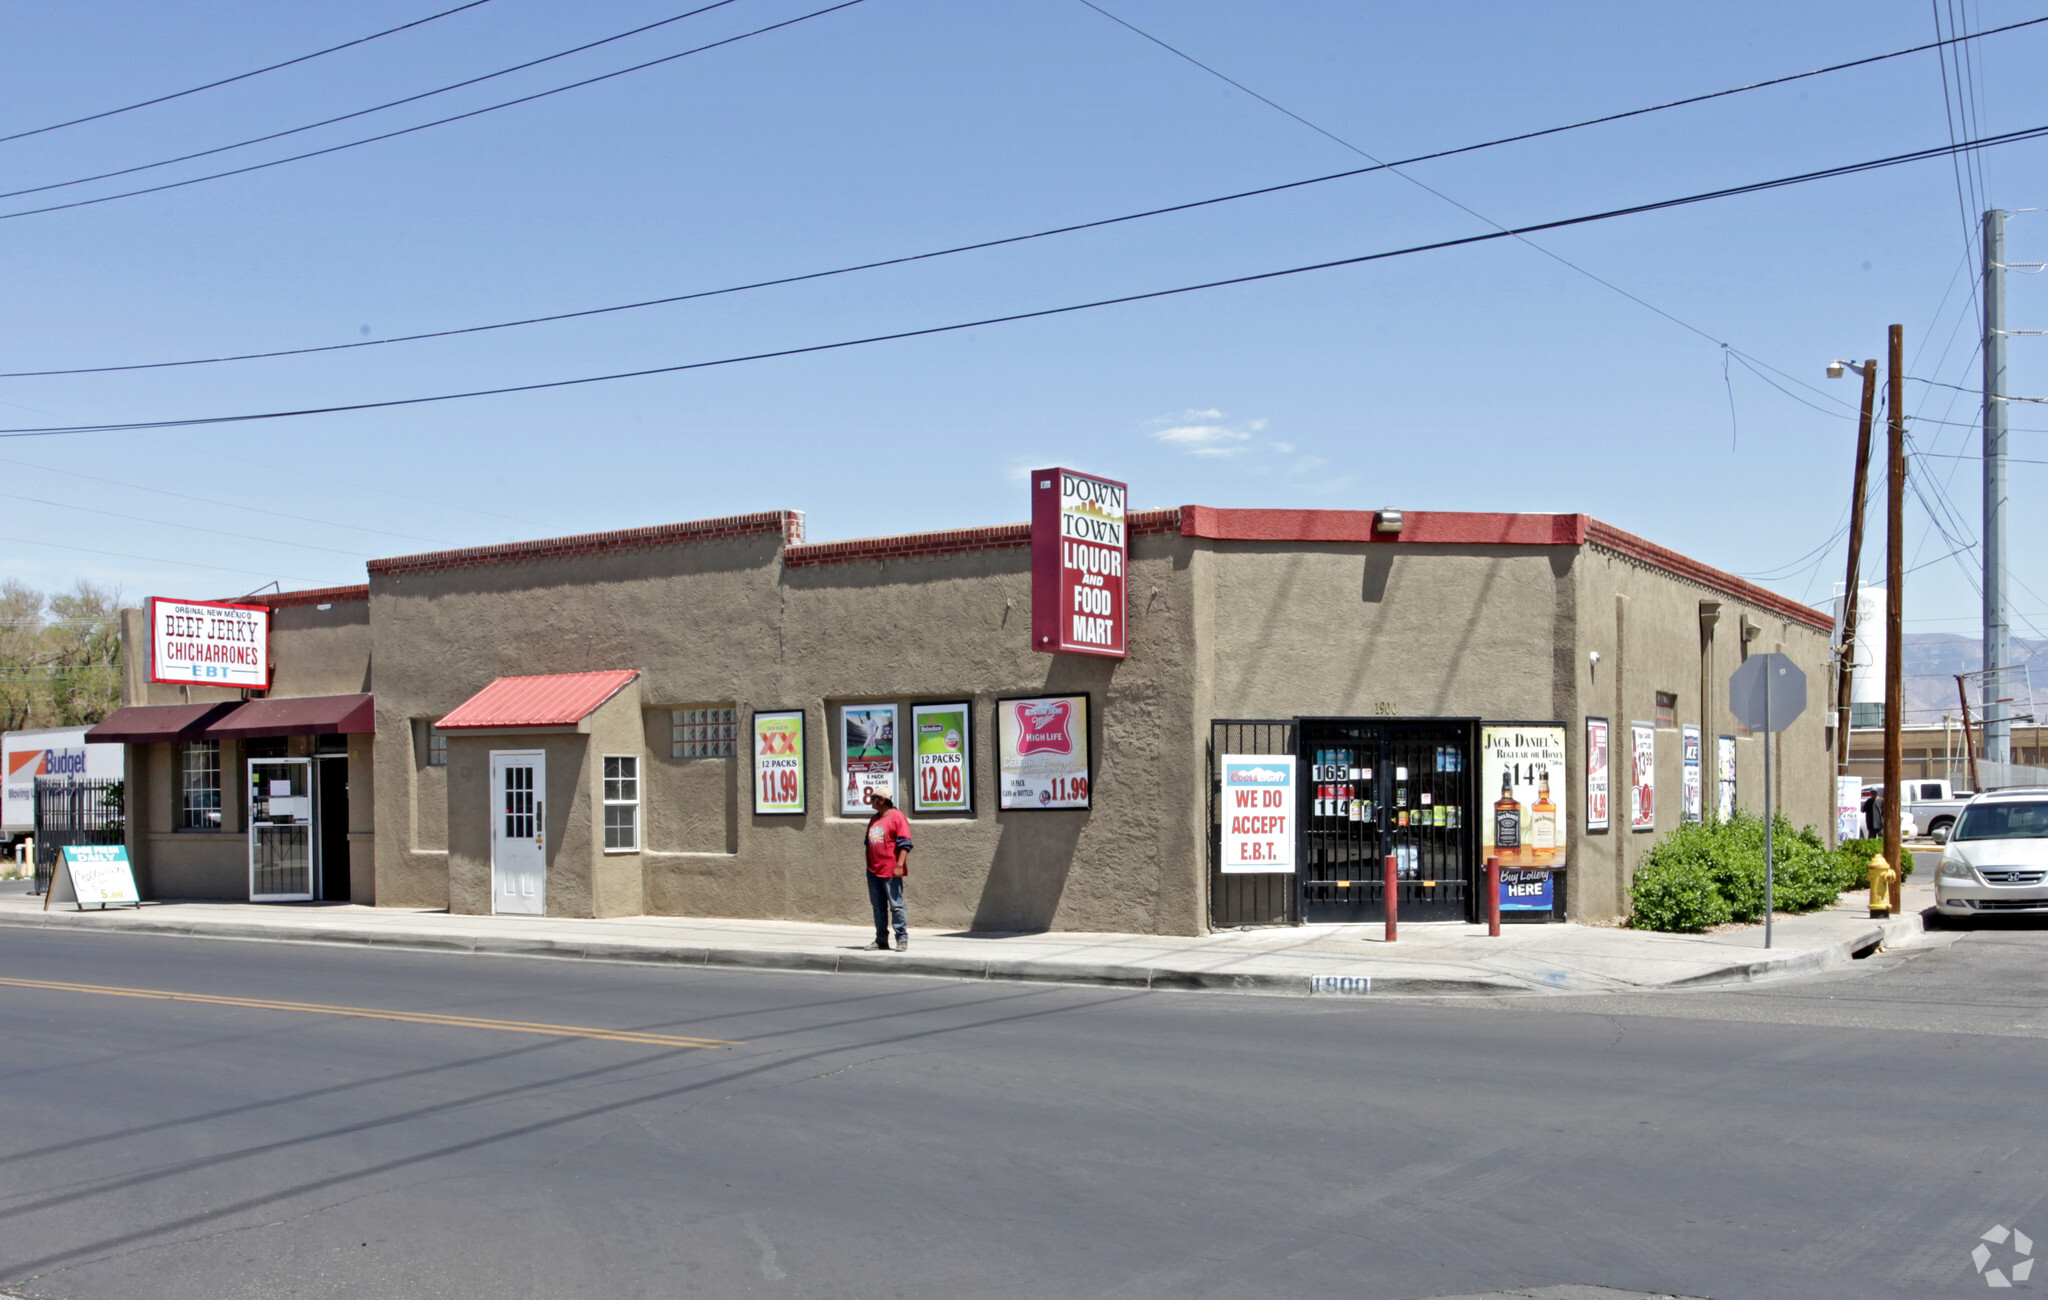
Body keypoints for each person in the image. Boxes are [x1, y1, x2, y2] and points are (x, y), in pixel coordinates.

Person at [862, 785, 913, 951]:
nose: (870, 801)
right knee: (878, 907)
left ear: (882, 800)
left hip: (891, 871)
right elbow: (867, 843)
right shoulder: (874, 819)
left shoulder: (897, 817)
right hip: (873, 871)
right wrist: (868, 865)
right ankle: (881, 939)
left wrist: (899, 865)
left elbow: (905, 843)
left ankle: (902, 939)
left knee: (896, 906)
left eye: (873, 798)